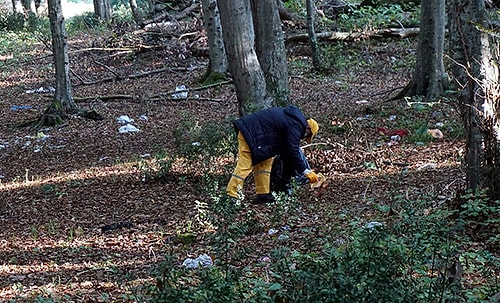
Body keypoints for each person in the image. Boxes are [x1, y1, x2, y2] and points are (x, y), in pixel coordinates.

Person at [226, 105, 319, 204]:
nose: (304, 138)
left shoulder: (293, 120)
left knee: (264, 164)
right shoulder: (296, 125)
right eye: (308, 135)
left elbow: (287, 147)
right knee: (245, 165)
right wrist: (305, 171)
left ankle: (263, 194)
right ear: (308, 128)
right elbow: (293, 149)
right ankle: (232, 194)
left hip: (259, 136)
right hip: (250, 133)